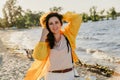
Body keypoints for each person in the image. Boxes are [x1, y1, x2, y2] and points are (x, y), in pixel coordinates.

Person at [24, 11, 82, 80]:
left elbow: (77, 18)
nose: (54, 26)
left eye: (56, 22)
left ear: (61, 23)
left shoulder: (68, 35)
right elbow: (39, 57)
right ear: (47, 27)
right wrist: (43, 36)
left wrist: (61, 16)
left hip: (69, 75)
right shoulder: (46, 42)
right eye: (51, 23)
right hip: (52, 76)